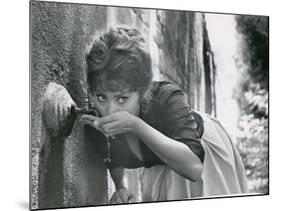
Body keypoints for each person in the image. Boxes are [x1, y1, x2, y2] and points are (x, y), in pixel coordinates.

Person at [48, 27, 248, 204]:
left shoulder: (166, 97)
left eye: (122, 99)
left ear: (141, 93)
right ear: (91, 92)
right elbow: (112, 156)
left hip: (199, 156)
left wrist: (136, 125)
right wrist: (121, 187)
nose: (109, 110)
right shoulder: (95, 120)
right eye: (101, 97)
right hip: (159, 168)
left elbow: (194, 168)